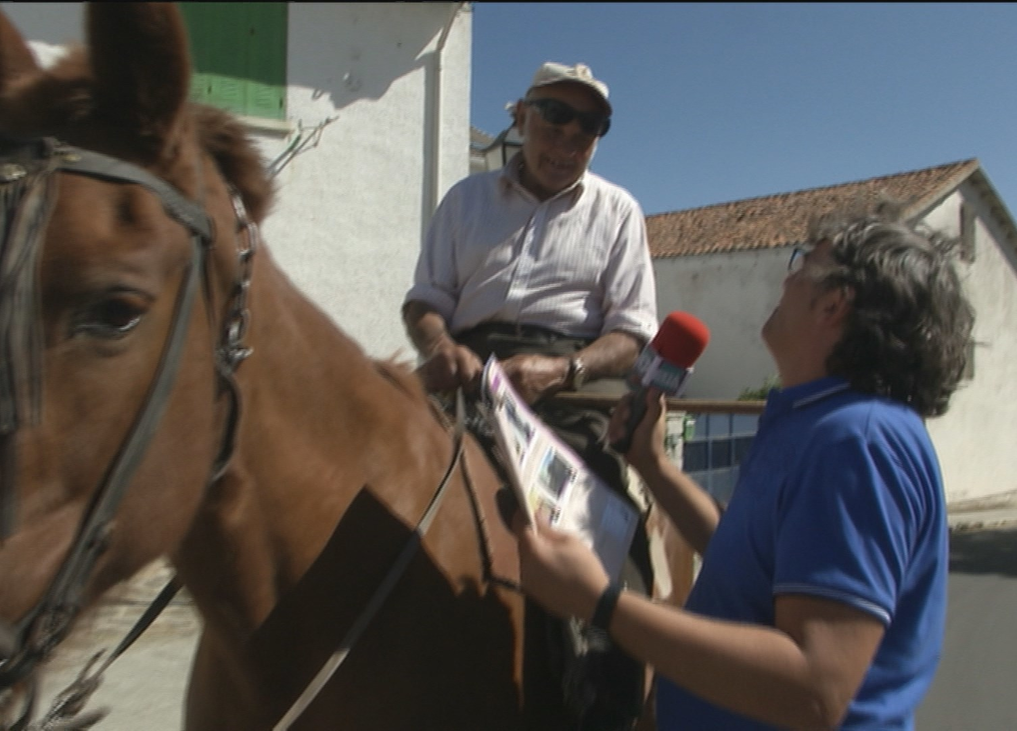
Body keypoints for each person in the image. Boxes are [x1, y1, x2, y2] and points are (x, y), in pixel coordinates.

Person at [516, 201, 976, 730]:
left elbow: (815, 688)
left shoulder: (857, 443)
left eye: (803, 263)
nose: (787, 279)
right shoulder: (816, 421)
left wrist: (600, 603)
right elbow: (747, 559)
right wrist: (653, 465)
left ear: (834, 304)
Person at [401, 61, 658, 729]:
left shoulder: (617, 212)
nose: (569, 138)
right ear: (520, 116)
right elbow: (424, 302)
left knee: (605, 541)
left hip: (568, 393)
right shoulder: (465, 200)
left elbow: (632, 334)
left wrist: (562, 370)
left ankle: (605, 704)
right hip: (464, 376)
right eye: (554, 117)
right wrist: (439, 345)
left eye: (588, 127)